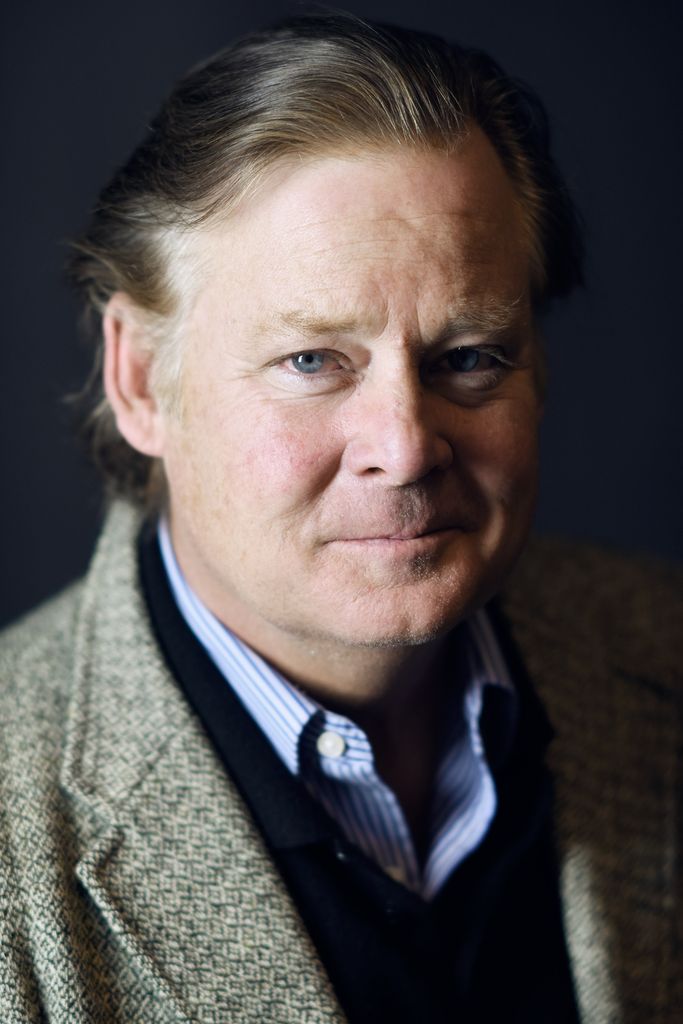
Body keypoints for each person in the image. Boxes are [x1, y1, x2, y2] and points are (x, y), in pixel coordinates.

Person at [0, 12, 680, 1024]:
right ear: (140, 380)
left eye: (468, 356)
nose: (404, 447)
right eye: (313, 361)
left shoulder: (659, 649)